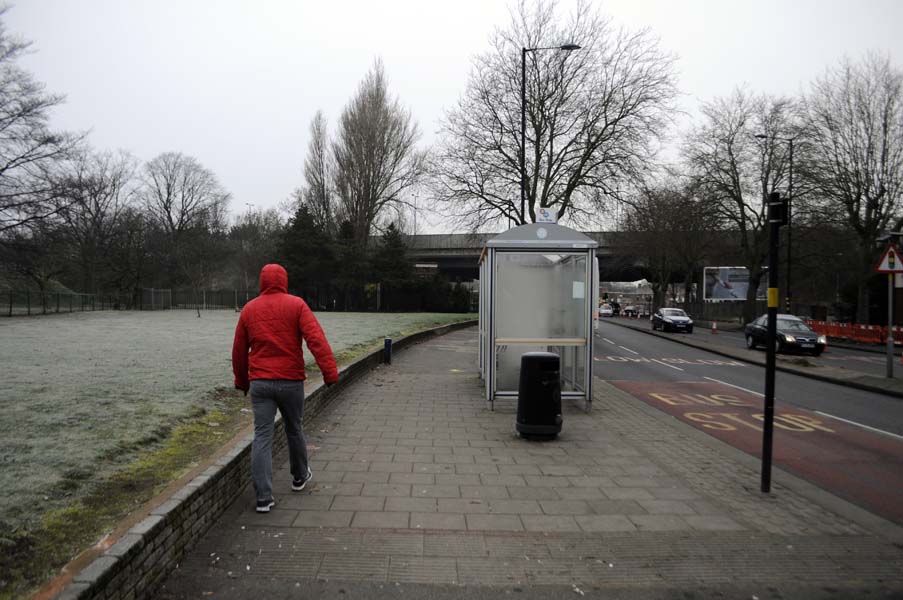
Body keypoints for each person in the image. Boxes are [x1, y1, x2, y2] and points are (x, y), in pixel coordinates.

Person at [232, 263, 339, 513]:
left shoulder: (249, 309)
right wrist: (329, 372)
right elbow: (316, 339)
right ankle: (299, 476)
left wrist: (242, 381)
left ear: (261, 282)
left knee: (262, 437)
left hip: (260, 382)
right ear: (284, 281)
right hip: (290, 381)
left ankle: (263, 497)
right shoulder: (296, 305)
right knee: (294, 428)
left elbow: (238, 350)